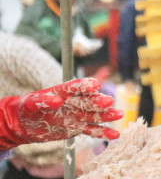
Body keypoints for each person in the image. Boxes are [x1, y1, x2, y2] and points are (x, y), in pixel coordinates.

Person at [0, 32, 122, 178]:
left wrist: (83, 151)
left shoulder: (13, 51)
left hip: (66, 155)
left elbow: (69, 94)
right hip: (25, 158)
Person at [14, 0, 98, 64]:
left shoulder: (76, 13)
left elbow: (90, 40)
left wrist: (84, 49)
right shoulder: (37, 8)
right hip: (42, 70)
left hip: (70, 72)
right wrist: (65, 47)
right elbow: (22, 36)